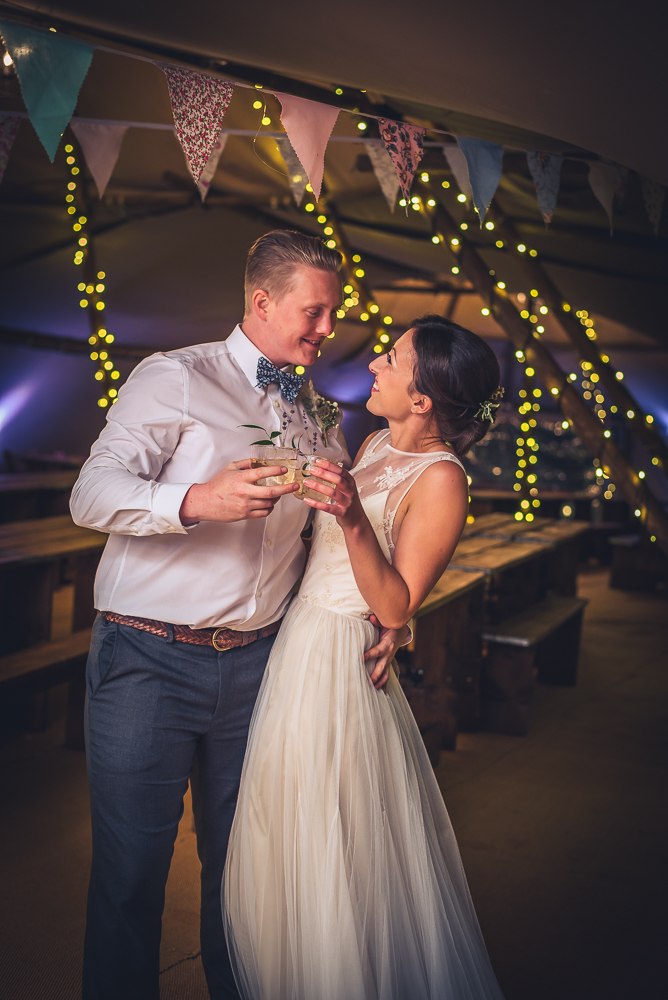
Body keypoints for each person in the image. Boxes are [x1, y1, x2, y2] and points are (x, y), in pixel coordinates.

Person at [70, 230, 408, 1000]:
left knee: (246, 875)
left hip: (262, 667)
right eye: (314, 313)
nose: (328, 330)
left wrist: (386, 614)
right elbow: (89, 495)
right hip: (147, 659)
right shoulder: (175, 379)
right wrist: (197, 500)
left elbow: (332, 538)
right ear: (262, 302)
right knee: (130, 878)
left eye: (332, 314)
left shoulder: (323, 417)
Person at [223, 314, 506, 1000]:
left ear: (423, 399)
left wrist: (352, 519)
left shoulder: (442, 480)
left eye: (392, 358)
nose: (374, 364)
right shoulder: (376, 441)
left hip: (338, 663)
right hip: (297, 640)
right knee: (278, 828)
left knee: (332, 845)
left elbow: (396, 604)